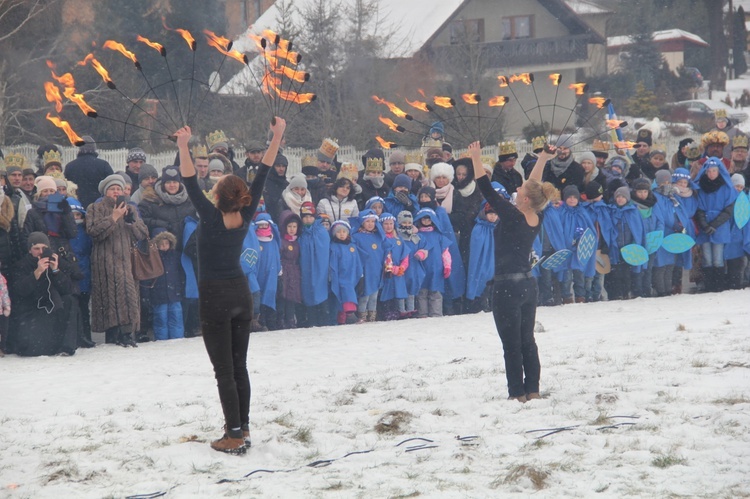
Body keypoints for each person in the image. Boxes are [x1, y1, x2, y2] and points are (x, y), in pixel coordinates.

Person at [175, 116, 285, 455]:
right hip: (241, 294)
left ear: (218, 195)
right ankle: (243, 425)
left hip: (216, 297)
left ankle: (234, 435)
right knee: (239, 365)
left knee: (224, 369)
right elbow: (264, 171)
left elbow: (189, 179)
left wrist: (183, 145)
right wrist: (277, 134)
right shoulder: (246, 213)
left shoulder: (209, 215)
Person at [469, 140, 558, 403]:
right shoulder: (535, 215)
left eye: (520, 189)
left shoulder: (512, 214)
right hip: (528, 285)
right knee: (527, 341)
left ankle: (516, 394)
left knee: (512, 345)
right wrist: (541, 159)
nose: (516, 189)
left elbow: (485, 188)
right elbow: (534, 185)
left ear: (526, 199)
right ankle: (533, 389)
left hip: (507, 287)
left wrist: (476, 157)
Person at [87, 174, 149, 346]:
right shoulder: (95, 208)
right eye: (112, 189)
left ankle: (127, 334)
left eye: (119, 189)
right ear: (105, 191)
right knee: (109, 298)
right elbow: (93, 232)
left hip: (127, 260)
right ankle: (113, 333)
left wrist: (131, 222)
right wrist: (113, 218)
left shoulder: (131, 208)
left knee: (128, 295)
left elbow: (143, 234)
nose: (116, 192)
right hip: (104, 261)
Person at [9, 232, 77, 357]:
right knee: (33, 350)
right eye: (36, 248)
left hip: (52, 307)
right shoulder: (21, 265)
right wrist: (37, 272)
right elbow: (21, 291)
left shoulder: (55, 262)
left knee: (70, 301)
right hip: (31, 311)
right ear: (30, 250)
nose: (41, 252)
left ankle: (66, 346)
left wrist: (56, 271)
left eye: (44, 248)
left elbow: (68, 289)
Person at [150, 231, 185, 340]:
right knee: (160, 318)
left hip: (175, 292)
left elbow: (181, 273)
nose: (164, 246)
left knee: (176, 317)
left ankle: (177, 339)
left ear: (170, 244)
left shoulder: (176, 256)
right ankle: (162, 341)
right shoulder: (153, 258)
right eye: (161, 244)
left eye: (166, 243)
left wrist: (182, 287)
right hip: (159, 294)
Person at [64, 136, 114, 209]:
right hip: (98, 206)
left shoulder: (70, 166)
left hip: (76, 206)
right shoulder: (103, 165)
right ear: (94, 148)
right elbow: (111, 185)